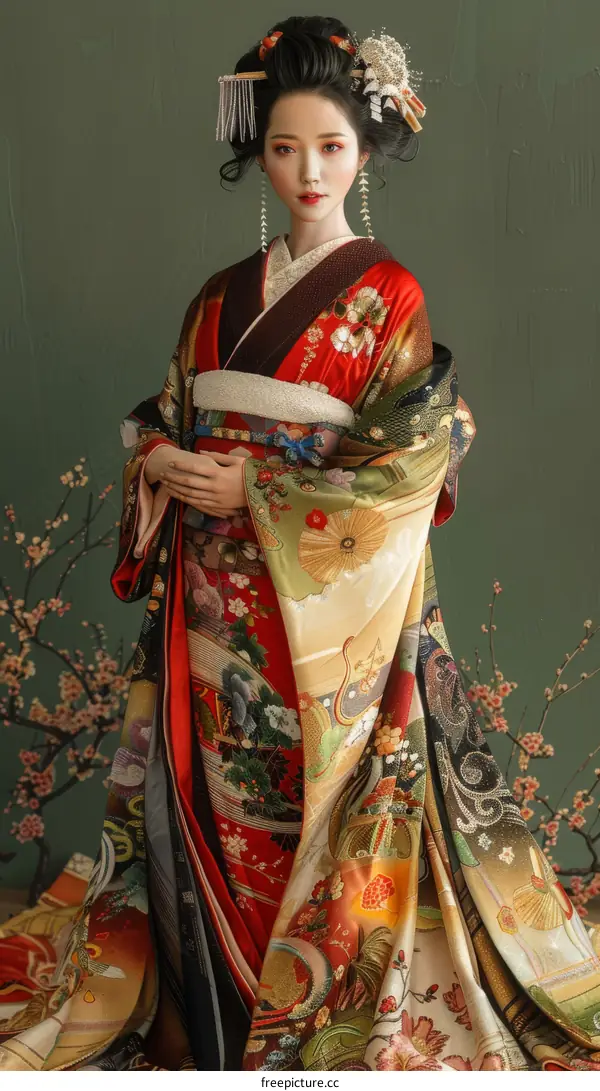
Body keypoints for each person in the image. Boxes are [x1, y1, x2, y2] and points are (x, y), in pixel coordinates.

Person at [1, 15, 600, 1074]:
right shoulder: (216, 301)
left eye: (329, 146)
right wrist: (157, 467)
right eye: (284, 148)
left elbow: (415, 457)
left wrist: (259, 484)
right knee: (217, 811)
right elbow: (169, 414)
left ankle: (312, 1031)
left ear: (364, 151)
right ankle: (222, 1022)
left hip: (327, 630)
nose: (306, 170)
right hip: (213, 618)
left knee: (315, 815)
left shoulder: (389, 299)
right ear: (259, 153)